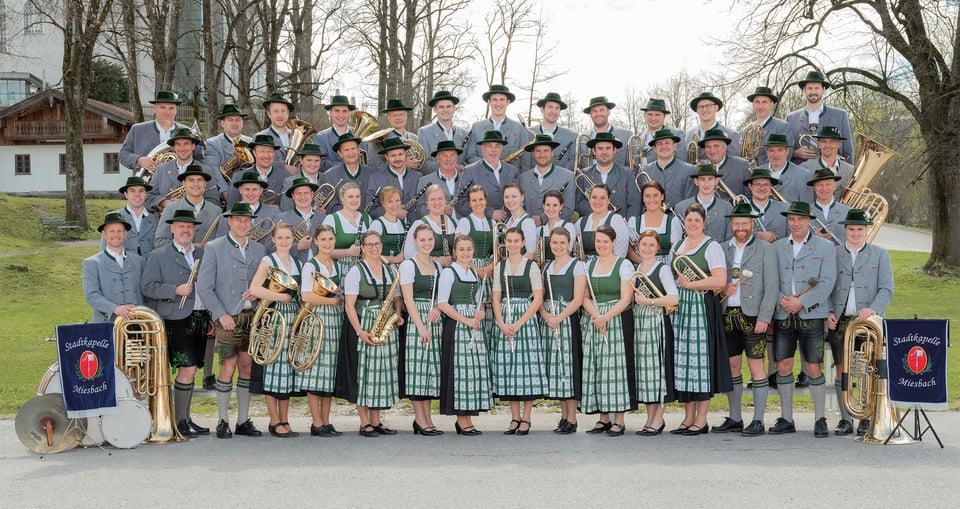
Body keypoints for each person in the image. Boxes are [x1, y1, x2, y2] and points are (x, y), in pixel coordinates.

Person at [196, 202, 267, 439]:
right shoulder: (215, 247)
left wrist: (259, 292)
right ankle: (222, 420)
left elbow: (264, 282)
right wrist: (220, 314)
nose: (243, 224)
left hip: (252, 317)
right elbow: (204, 287)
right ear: (229, 221)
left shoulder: (259, 249)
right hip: (228, 317)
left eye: (247, 220)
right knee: (228, 366)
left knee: (246, 366)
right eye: (238, 220)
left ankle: (243, 420)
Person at [770, 201, 837, 438]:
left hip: (812, 314)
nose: (795, 223)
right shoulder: (777, 247)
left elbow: (828, 282)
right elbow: (770, 280)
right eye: (791, 219)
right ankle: (787, 417)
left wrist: (802, 302)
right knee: (784, 365)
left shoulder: (825, 247)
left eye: (800, 219)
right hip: (783, 312)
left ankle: (820, 418)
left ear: (809, 221)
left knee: (813, 366)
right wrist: (782, 300)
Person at [141, 209, 210, 437]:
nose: (185, 230)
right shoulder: (158, 255)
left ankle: (186, 418)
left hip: (200, 317)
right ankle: (179, 421)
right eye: (181, 226)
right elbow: (148, 287)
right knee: (186, 368)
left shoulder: (202, 253)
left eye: (189, 226)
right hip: (176, 319)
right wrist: (174, 290)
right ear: (172, 229)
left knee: (192, 370)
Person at [827, 209, 894, 436]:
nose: (856, 233)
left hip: (868, 321)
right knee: (841, 369)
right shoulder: (833, 253)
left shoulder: (879, 254)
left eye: (860, 229)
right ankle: (845, 418)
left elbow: (886, 288)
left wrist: (873, 308)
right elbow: (824, 286)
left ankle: (865, 417)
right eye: (852, 229)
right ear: (845, 230)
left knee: (866, 369)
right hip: (841, 320)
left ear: (867, 230)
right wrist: (828, 311)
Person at [714, 204, 779, 437]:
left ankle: (759, 419)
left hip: (753, 316)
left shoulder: (765, 248)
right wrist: (723, 290)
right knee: (732, 366)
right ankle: (735, 417)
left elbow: (772, 286)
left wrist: (764, 316)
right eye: (736, 223)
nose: (740, 227)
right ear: (731, 225)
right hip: (728, 314)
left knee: (756, 366)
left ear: (752, 225)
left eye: (745, 223)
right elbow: (716, 280)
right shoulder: (722, 248)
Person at [669, 203, 732, 436]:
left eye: (697, 220)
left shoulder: (711, 246)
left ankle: (702, 419)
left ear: (704, 222)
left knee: (700, 364)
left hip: (701, 307)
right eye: (689, 220)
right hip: (681, 309)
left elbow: (719, 281)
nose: (693, 224)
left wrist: (691, 284)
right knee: (684, 363)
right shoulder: (677, 246)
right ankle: (687, 417)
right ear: (684, 223)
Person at [341, 231, 403, 437]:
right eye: (370, 245)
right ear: (363, 248)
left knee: (381, 374)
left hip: (385, 323)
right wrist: (359, 331)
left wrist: (398, 314)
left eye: (377, 244)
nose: (374, 248)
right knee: (365, 373)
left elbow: (395, 297)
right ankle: (364, 421)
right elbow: (349, 305)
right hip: (365, 324)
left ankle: (376, 421)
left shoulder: (389, 270)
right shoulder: (356, 271)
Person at [248, 222, 302, 437]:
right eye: (280, 238)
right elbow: (255, 288)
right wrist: (281, 297)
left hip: (292, 318)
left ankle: (285, 419)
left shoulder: (297, 262)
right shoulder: (268, 261)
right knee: (273, 369)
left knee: (287, 369)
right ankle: (273, 420)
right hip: (274, 317)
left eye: (288, 237)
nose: (284, 241)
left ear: (293, 239)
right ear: (273, 239)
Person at [581, 225, 635, 436]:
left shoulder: (624, 265)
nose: (601, 245)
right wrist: (596, 315)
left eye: (605, 241)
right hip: (594, 319)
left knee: (615, 368)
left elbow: (626, 298)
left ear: (613, 243)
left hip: (616, 319)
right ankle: (603, 417)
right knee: (597, 366)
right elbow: (584, 295)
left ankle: (619, 419)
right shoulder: (589, 265)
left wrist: (605, 316)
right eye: (598, 241)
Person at [491, 227, 546, 435]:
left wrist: (520, 322)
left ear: (523, 243)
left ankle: (527, 417)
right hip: (505, 316)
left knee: (526, 368)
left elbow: (537, 298)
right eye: (509, 241)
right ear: (505, 243)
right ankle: (514, 417)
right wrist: (501, 322)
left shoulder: (531, 266)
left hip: (525, 317)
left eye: (516, 241)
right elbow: (496, 297)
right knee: (510, 368)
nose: (512, 244)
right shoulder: (500, 267)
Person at [437, 235, 492, 436]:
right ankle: (461, 420)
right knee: (460, 371)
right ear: (454, 251)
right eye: (461, 249)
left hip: (473, 325)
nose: (465, 253)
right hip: (458, 325)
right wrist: (466, 319)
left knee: (472, 372)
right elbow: (442, 303)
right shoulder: (449, 273)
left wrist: (481, 313)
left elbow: (480, 302)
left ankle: (468, 417)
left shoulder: (475, 274)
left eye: (469, 249)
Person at [298, 225, 345, 437]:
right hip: (316, 319)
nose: (327, 243)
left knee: (329, 372)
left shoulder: (336, 265)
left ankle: (326, 421)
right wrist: (332, 300)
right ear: (316, 241)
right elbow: (306, 295)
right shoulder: (311, 265)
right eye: (323, 239)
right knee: (316, 371)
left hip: (334, 320)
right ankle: (316, 422)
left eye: (330, 239)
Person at [630, 229, 679, 436]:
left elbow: (674, 299)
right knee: (646, 373)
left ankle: (658, 419)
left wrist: (648, 301)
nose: (647, 248)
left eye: (652, 245)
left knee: (658, 371)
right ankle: (650, 417)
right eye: (644, 244)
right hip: (640, 323)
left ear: (657, 248)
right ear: (638, 247)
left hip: (657, 321)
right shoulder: (637, 268)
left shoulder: (662, 269)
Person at [539, 227, 586, 434]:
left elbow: (577, 299)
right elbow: (540, 297)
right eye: (554, 243)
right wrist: (546, 315)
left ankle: (572, 417)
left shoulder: (577, 266)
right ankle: (563, 414)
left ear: (569, 244)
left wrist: (558, 317)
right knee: (556, 367)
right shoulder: (546, 267)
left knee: (568, 366)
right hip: (550, 319)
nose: (558, 246)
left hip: (566, 319)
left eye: (561, 243)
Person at [399, 224, 444, 436]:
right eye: (423, 240)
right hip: (418, 320)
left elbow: (441, 297)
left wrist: (437, 308)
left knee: (429, 370)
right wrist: (419, 327)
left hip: (434, 319)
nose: (427, 243)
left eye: (429, 239)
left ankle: (427, 419)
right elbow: (408, 298)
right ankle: (419, 419)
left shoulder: (438, 266)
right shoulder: (409, 266)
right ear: (415, 242)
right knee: (418, 371)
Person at [146, 127, 224, 213]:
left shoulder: (205, 170)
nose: (182, 148)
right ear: (174, 148)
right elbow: (149, 197)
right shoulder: (162, 169)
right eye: (178, 144)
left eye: (186, 143)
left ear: (193, 146)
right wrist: (166, 203)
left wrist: (190, 204)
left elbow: (214, 202)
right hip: (166, 220)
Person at [83, 212, 144, 323]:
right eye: (112, 231)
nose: (116, 235)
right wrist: (115, 309)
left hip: (137, 322)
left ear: (125, 234)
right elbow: (91, 295)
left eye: (119, 231)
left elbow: (145, 292)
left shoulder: (139, 261)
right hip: (107, 323)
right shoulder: (92, 263)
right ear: (104, 234)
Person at [119, 90, 196, 174]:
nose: (167, 112)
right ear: (155, 109)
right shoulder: (137, 129)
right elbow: (123, 155)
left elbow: (200, 158)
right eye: (162, 107)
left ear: (176, 110)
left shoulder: (188, 132)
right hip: (147, 183)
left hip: (179, 182)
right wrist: (138, 160)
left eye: (171, 108)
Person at [455, 185, 497, 338]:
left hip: (489, 270)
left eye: (480, 199)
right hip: (471, 268)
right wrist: (475, 268)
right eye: (474, 200)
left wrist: (490, 267)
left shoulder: (493, 223)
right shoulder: (465, 222)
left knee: (490, 305)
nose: (478, 203)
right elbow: (457, 250)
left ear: (486, 201)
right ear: (469, 203)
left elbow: (497, 250)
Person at [787, 70, 854, 164]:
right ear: (804, 90)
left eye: (816, 88)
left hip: (831, 173)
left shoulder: (840, 115)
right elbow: (783, 150)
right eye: (809, 88)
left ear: (824, 90)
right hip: (800, 172)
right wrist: (794, 153)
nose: (813, 92)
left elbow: (848, 151)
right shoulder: (791, 118)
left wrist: (849, 174)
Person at [457, 130, 520, 222]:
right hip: (482, 226)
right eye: (489, 146)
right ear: (482, 149)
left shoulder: (512, 171)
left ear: (502, 148)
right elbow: (460, 203)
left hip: (509, 227)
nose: (493, 150)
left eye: (497, 146)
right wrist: (489, 212)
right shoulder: (470, 171)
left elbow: (519, 200)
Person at [573, 132, 640, 219]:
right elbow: (579, 203)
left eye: (608, 148)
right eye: (600, 148)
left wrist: (626, 226)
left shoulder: (627, 174)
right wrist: (600, 214)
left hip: (620, 226)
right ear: (594, 151)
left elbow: (634, 204)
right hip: (592, 225)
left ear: (614, 150)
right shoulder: (583, 175)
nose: (604, 152)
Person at [155, 165, 223, 249]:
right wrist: (190, 247)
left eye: (200, 180)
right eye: (191, 180)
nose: (195, 184)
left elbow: (221, 244)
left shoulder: (216, 211)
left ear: (205, 183)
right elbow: (160, 241)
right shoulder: (171, 208)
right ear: (184, 183)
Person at [465, 84, 531, 164]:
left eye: (502, 99)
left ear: (508, 102)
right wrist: (487, 167)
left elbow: (526, 160)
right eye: (494, 100)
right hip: (481, 175)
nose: (498, 103)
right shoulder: (476, 127)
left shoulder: (519, 128)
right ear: (489, 102)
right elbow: (471, 156)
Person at [517, 134, 575, 224]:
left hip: (555, 231)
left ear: (552, 153)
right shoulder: (522, 178)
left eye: (546, 151)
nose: (542, 155)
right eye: (538, 151)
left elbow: (568, 209)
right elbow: (518, 206)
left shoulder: (568, 176)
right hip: (527, 229)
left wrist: (542, 219)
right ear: (532, 154)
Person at [364, 137, 422, 222]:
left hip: (415, 228)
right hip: (389, 229)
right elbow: (370, 210)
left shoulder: (418, 177)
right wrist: (392, 212)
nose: (397, 159)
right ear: (386, 157)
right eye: (393, 155)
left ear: (405, 155)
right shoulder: (375, 179)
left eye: (400, 154)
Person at [319, 132, 376, 215]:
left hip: (370, 222)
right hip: (341, 224)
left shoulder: (373, 174)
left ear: (359, 150)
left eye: (353, 148)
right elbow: (331, 206)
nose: (351, 153)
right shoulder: (328, 176)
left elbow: (376, 203)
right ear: (340, 153)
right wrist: (353, 215)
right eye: (346, 150)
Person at [626, 180, 683, 264]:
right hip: (641, 269)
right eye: (647, 196)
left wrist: (659, 268)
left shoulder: (673, 222)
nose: (652, 200)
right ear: (643, 199)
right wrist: (646, 264)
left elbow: (675, 252)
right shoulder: (633, 222)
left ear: (662, 196)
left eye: (655, 195)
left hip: (666, 268)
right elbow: (629, 251)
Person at [222, 171, 281, 252]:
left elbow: (278, 245)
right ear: (240, 190)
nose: (251, 193)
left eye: (255, 189)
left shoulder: (274, 214)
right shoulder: (225, 217)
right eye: (247, 189)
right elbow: (221, 247)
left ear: (261, 191)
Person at [321, 182, 371, 276]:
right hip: (337, 271)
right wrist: (348, 252)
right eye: (350, 197)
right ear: (342, 198)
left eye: (357, 196)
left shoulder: (367, 219)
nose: (355, 200)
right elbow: (323, 251)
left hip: (362, 271)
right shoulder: (331, 219)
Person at [675, 163, 733, 243]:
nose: (706, 184)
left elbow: (730, 239)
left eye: (710, 179)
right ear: (696, 181)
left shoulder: (727, 208)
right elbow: (677, 240)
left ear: (717, 181)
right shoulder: (681, 207)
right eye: (702, 179)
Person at [226, 134, 287, 209]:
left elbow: (289, 209)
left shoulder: (286, 177)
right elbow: (230, 208)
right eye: (262, 151)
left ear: (274, 153)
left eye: (269, 151)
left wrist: (278, 209)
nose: (266, 155)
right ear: (254, 153)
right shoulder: (238, 177)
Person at [313, 95, 371, 172]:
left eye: (344, 111)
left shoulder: (361, 135)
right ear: (330, 112)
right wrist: (348, 167)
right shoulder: (320, 137)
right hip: (333, 180)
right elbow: (321, 162)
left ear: (349, 113)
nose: (341, 115)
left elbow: (368, 160)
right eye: (337, 111)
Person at [417, 90, 470, 174]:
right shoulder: (424, 132)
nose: (445, 110)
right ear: (435, 109)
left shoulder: (465, 133)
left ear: (454, 108)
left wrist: (464, 167)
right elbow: (423, 164)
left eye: (448, 106)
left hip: (461, 182)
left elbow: (470, 159)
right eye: (441, 107)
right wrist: (449, 168)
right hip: (436, 183)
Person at [403, 184, 456, 266]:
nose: (437, 202)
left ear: (446, 200)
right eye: (432, 199)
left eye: (440, 199)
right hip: (428, 270)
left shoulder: (455, 222)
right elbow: (409, 253)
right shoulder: (419, 224)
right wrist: (435, 260)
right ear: (427, 203)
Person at [576, 184, 631, 262]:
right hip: (584, 270)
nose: (598, 201)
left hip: (608, 269)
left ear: (608, 200)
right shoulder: (580, 222)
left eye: (602, 198)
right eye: (594, 197)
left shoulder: (616, 220)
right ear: (589, 199)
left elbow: (620, 253)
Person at [642, 129, 697, 205]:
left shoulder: (689, 170)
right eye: (659, 144)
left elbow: (691, 203)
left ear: (674, 146)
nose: (663, 146)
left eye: (667, 143)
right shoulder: (645, 171)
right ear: (654, 148)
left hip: (680, 216)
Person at [276, 176, 325, 264]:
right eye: (298, 193)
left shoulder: (323, 218)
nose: (303, 197)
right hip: (292, 268)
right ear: (293, 196)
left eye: (306, 193)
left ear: (312, 194)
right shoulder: (282, 218)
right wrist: (297, 247)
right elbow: (271, 247)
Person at [107, 176, 158, 257]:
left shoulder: (155, 219)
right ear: (126, 194)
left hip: (149, 266)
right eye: (132, 191)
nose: (137, 194)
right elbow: (105, 250)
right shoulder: (114, 217)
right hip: (123, 266)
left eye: (141, 191)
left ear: (146, 194)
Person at [363, 98, 420, 171]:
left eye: (401, 114)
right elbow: (373, 164)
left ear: (406, 116)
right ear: (388, 118)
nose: (398, 118)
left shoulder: (415, 138)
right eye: (394, 115)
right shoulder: (378, 139)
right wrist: (402, 164)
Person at [801, 125, 854, 201]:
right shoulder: (805, 168)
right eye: (824, 141)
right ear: (818, 144)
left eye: (832, 141)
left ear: (839, 144)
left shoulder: (850, 171)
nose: (828, 145)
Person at [745, 86, 793, 168]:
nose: (760, 106)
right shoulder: (746, 130)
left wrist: (759, 166)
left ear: (771, 104)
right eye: (757, 102)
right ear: (753, 105)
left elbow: (786, 156)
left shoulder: (783, 127)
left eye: (764, 102)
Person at [684, 91, 740, 162]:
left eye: (708, 106)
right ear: (697, 110)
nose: (704, 110)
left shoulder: (731, 134)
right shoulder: (689, 134)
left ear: (716, 108)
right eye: (701, 107)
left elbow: (734, 162)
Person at [414, 140, 464, 219]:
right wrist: (439, 211)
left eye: (452, 155)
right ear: (437, 159)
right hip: (436, 227)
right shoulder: (424, 181)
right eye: (444, 155)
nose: (448, 159)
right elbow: (420, 209)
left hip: (464, 228)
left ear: (457, 158)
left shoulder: (467, 179)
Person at [582, 96, 633, 168]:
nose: (598, 114)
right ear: (590, 115)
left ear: (608, 112)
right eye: (594, 111)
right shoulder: (582, 138)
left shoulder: (626, 136)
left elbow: (633, 166)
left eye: (601, 110)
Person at [530, 92, 577, 170]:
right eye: (550, 107)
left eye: (557, 108)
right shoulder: (529, 133)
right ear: (542, 109)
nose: (554, 111)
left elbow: (572, 166)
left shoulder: (571, 136)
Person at [699, 128, 750, 199]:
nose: (712, 151)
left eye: (716, 146)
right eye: (708, 147)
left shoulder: (742, 165)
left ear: (725, 146)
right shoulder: (698, 168)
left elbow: (750, 196)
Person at [203, 103, 251, 178]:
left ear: (242, 123)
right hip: (225, 188)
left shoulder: (251, 142)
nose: (234, 123)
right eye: (230, 120)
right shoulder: (211, 144)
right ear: (222, 123)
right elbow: (213, 170)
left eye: (238, 120)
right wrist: (224, 189)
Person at [763, 133, 813, 203]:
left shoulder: (803, 175)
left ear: (787, 151)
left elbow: (808, 207)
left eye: (780, 150)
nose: (775, 155)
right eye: (771, 150)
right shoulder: (756, 171)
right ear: (767, 152)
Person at [807, 168, 851, 246]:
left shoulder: (848, 212)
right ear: (814, 188)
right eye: (819, 184)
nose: (824, 188)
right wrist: (813, 239)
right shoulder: (805, 211)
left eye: (828, 184)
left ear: (834, 186)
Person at [744, 168, 788, 242]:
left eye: (766, 184)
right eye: (758, 184)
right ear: (750, 186)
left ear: (771, 187)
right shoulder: (740, 209)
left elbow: (792, 238)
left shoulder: (785, 208)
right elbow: (732, 236)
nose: (762, 188)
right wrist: (756, 235)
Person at [537, 191, 579, 268]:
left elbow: (568, 252)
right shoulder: (539, 230)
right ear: (543, 206)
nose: (551, 209)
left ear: (561, 206)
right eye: (548, 205)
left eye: (555, 205)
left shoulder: (568, 226)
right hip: (543, 271)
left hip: (563, 268)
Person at [279, 143, 325, 212]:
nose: (313, 164)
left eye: (316, 161)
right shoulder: (290, 182)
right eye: (309, 160)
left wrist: (326, 213)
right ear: (301, 160)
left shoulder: (327, 178)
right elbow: (286, 210)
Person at [638, 99, 685, 165]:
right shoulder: (637, 138)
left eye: (657, 115)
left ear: (664, 116)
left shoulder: (677, 134)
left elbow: (682, 162)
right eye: (650, 114)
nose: (653, 118)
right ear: (645, 115)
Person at [254, 92, 295, 166]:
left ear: (288, 113)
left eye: (283, 111)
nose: (280, 115)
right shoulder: (259, 137)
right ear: (269, 114)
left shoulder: (296, 136)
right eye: (275, 111)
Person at [369, 186, 407, 265]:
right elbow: (368, 253)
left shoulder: (403, 223)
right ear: (383, 204)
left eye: (397, 200)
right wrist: (394, 259)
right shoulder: (377, 224)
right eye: (390, 201)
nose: (395, 205)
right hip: (382, 268)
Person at [501, 183, 538, 259]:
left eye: (514, 196)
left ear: (522, 197)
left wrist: (515, 268)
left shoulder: (527, 222)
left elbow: (531, 254)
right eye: (506, 197)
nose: (510, 200)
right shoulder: (508, 221)